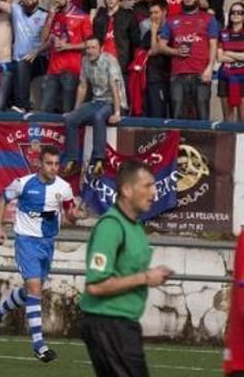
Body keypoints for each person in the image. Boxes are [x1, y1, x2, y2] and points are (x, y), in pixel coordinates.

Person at [80, 160, 174, 376]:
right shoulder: (110, 227)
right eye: (147, 186)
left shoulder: (136, 227)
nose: (154, 192)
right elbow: (95, 285)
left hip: (122, 325)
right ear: (126, 190)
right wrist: (145, 278)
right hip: (107, 324)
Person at [0, 145, 75, 363]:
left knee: (32, 292)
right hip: (26, 242)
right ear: (39, 163)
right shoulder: (24, 183)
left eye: (57, 164)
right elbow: (3, 198)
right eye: (49, 163)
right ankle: (39, 346)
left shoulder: (64, 187)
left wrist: (74, 214)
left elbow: (70, 211)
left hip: (48, 244)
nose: (54, 168)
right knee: (35, 289)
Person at [60, 37, 126, 178]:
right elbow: (83, 86)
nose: (90, 51)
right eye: (87, 48)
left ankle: (99, 160)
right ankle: (73, 161)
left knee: (98, 117)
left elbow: (115, 87)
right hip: (96, 101)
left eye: (93, 47)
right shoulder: (84, 60)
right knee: (71, 119)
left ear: (101, 48)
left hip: (112, 102)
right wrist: (75, 110)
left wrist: (117, 112)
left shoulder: (110, 60)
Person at [157, 0, 219, 120]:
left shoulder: (209, 19)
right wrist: (175, 51)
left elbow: (213, 45)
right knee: (177, 113)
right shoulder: (172, 20)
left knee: (202, 114)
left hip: (201, 73)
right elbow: (161, 45)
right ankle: (178, 142)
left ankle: (202, 142)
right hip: (178, 74)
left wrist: (209, 68)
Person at [38, 0, 93, 114]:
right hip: (53, 68)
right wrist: (50, 16)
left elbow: (90, 44)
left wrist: (68, 46)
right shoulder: (53, 14)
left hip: (72, 69)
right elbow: (43, 39)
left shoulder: (82, 17)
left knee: (67, 111)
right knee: (45, 109)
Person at [9, 0, 50, 114]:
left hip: (39, 58)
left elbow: (47, 40)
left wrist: (36, 51)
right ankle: (6, 107)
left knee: (23, 64)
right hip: (17, 57)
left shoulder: (45, 15)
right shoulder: (16, 10)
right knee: (9, 70)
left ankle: (22, 105)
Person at [93, 0, 141, 77]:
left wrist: (132, 63)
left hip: (122, 65)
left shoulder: (129, 16)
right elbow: (95, 40)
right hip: (102, 65)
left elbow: (136, 42)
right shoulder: (99, 17)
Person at [142, 0, 173, 119]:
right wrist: (154, 33)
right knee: (156, 114)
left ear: (164, 12)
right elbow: (151, 52)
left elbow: (157, 50)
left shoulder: (173, 31)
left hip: (171, 77)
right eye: (151, 13)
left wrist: (155, 34)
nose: (153, 16)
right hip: (154, 79)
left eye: (156, 12)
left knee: (172, 115)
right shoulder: (148, 34)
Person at [218, 2, 244, 122]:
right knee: (227, 119)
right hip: (225, 77)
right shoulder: (223, 33)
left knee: (242, 119)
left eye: (240, 12)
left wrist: (228, 53)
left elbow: (224, 54)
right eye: (233, 12)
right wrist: (239, 56)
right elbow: (220, 57)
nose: (236, 15)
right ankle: (228, 141)